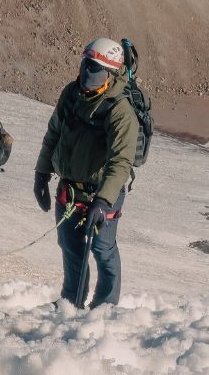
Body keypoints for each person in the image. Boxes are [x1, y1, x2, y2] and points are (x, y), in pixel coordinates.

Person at [34, 38, 141, 308]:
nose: (86, 74)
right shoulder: (71, 94)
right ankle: (72, 302)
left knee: (102, 250)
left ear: (110, 73)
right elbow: (54, 134)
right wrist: (42, 174)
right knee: (71, 249)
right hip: (69, 190)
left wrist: (103, 201)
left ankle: (105, 308)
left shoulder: (120, 111)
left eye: (94, 69)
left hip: (102, 193)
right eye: (85, 66)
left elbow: (121, 162)